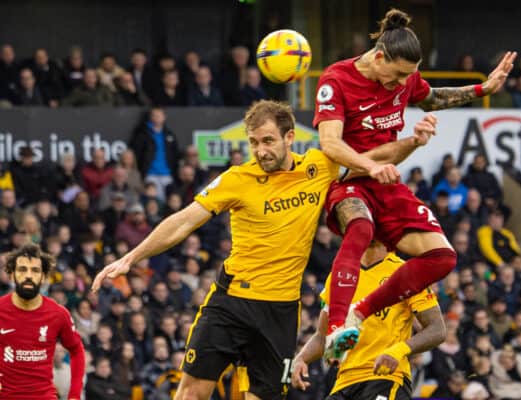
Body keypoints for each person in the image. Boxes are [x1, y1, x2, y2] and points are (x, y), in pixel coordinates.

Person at [91, 99, 436, 400]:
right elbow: (183, 221)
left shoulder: (319, 166)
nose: (261, 150)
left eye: (269, 141)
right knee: (192, 392)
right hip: (231, 303)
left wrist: (414, 142)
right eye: (254, 142)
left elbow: (372, 158)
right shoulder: (237, 179)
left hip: (281, 312)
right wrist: (131, 257)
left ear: (289, 138)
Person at [313, 7, 516, 356]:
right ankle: (335, 330)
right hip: (348, 180)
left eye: (407, 77)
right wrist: (369, 166)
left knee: (442, 257)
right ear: (378, 57)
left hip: (387, 181)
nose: (399, 84)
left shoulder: (404, 78)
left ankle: (360, 313)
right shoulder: (337, 79)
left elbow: (432, 98)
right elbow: (329, 144)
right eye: (395, 76)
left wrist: (485, 88)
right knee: (360, 228)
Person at [291, 241, 445, 400]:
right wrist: (301, 359)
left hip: (386, 378)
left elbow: (437, 329)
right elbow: (322, 336)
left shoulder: (407, 272)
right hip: (344, 382)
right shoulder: (339, 275)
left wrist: (399, 350)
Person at [0, 244, 85, 399]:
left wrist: (74, 395)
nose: (28, 275)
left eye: (35, 270)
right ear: (12, 274)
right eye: (22, 269)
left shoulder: (58, 314)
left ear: (44, 277)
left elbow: (77, 350)